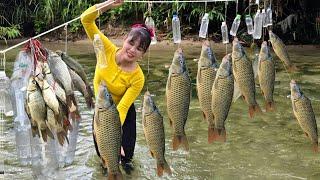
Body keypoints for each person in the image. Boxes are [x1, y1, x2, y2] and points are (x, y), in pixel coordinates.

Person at [81, 0, 152, 174]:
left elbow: (122, 108)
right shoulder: (105, 48)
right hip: (101, 111)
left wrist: (115, 138)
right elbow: (86, 20)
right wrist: (109, 4)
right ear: (124, 39)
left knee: (126, 160)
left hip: (123, 115)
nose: (133, 49)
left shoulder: (138, 77)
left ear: (142, 55)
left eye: (139, 48)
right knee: (104, 160)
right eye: (131, 42)